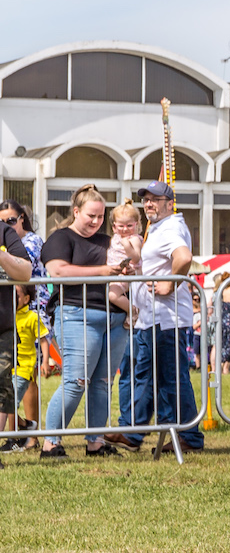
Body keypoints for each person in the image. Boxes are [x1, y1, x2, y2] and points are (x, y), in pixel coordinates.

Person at [40, 185, 134, 458]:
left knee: (103, 383)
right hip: (77, 315)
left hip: (115, 319)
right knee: (75, 382)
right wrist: (104, 271)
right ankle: (50, 443)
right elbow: (58, 271)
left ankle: (96, 443)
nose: (96, 221)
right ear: (76, 212)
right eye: (91, 215)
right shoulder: (61, 238)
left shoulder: (108, 240)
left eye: (101, 216)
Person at [126, 180, 202, 458]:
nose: (149, 203)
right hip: (155, 316)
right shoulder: (159, 227)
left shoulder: (170, 227)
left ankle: (182, 436)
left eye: (155, 199)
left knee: (171, 378)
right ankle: (147, 432)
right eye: (146, 199)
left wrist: (171, 282)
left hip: (167, 317)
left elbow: (183, 256)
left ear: (170, 204)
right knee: (158, 377)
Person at [0, 200, 46, 448]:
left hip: (19, 313)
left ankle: (27, 433)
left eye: (11, 220)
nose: (7, 223)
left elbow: (25, 272)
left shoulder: (16, 237)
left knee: (14, 383)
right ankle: (23, 429)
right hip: (14, 311)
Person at [103, 201, 145, 448]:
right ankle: (127, 423)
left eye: (130, 225)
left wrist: (128, 244)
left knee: (134, 367)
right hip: (120, 280)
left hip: (131, 280)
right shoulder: (113, 239)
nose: (125, 229)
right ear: (114, 226)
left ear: (137, 225)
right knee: (127, 368)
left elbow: (136, 257)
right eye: (121, 226)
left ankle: (133, 311)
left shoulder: (134, 239)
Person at [0, 212, 34, 462]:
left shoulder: (4, 232)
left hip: (3, 324)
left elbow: (25, 272)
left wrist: (1, 255)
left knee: (1, 385)